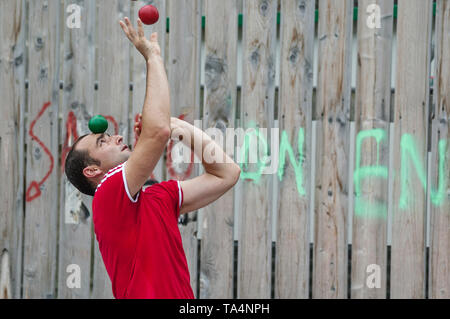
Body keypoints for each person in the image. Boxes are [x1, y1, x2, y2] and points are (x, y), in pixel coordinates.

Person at [64, 17, 241, 299]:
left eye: (110, 135)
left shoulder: (159, 197)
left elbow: (227, 173)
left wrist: (177, 127)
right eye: (103, 141)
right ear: (92, 171)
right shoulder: (107, 196)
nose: (116, 137)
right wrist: (153, 57)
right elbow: (156, 131)